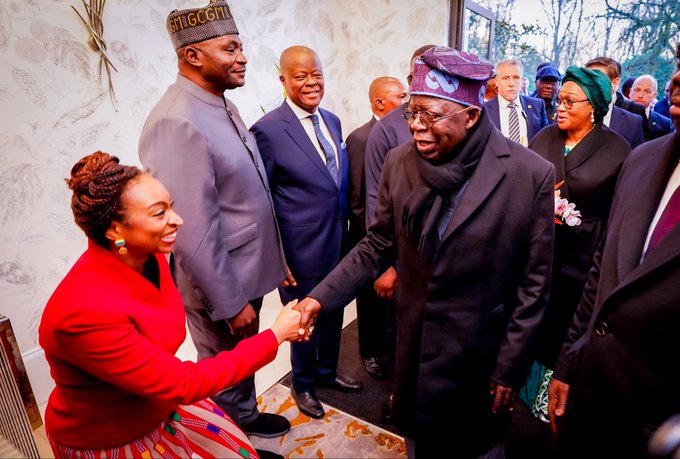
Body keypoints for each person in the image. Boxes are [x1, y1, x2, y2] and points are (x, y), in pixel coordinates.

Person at [294, 46, 556, 458]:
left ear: (471, 116)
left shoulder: (528, 174)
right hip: (414, 347)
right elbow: (377, 244)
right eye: (411, 113)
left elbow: (534, 285)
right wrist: (318, 299)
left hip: (480, 358)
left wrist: (509, 367)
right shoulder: (400, 162)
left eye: (430, 115)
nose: (416, 126)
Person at [39, 151, 303, 459]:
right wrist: (275, 336)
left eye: (171, 207)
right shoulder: (82, 315)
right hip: (111, 434)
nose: (177, 220)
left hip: (156, 401)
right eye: (158, 213)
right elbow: (183, 384)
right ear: (114, 230)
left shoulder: (147, 255)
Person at [138, 1, 294, 450]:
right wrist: (229, 302)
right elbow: (191, 229)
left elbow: (248, 195)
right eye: (230, 48)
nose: (242, 57)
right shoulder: (175, 119)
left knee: (241, 360)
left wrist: (276, 259)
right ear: (193, 55)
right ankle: (230, 445)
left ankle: (245, 418)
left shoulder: (219, 103)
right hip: (220, 286)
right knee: (222, 370)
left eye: (240, 47)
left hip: (245, 270)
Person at [548, 43, 680, 459]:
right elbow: (604, 271)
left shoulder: (619, 149)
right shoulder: (644, 160)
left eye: (571, 100)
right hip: (591, 390)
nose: (676, 79)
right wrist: (569, 362)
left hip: (659, 417)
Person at [250, 45, 362, 420]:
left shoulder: (332, 120)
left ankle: (326, 372)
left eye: (317, 74)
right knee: (303, 320)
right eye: (301, 76)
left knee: (334, 310)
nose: (311, 82)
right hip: (298, 251)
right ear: (283, 80)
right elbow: (262, 200)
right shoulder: (267, 130)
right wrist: (277, 257)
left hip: (338, 241)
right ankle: (302, 383)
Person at [523, 66, 631, 425]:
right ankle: (522, 387)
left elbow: (618, 213)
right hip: (537, 251)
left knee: (562, 329)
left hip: (581, 261)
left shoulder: (618, 150)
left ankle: (551, 397)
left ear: (594, 107)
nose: (560, 107)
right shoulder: (544, 137)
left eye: (570, 101)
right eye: (559, 100)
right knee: (530, 320)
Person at [346, 76, 408, 379]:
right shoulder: (361, 138)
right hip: (369, 236)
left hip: (395, 237)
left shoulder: (406, 130)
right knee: (370, 302)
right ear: (379, 102)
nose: (406, 101)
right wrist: (374, 241)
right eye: (400, 96)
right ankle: (369, 352)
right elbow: (359, 198)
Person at [485, 58, 549, 146]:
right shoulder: (484, 110)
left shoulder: (537, 106)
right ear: (496, 81)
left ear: (521, 80)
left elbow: (546, 140)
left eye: (516, 78)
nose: (511, 83)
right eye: (505, 78)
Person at [585, 56, 646, 147]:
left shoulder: (633, 122)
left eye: (597, 79)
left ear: (615, 82)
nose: (590, 84)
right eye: (587, 79)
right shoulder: (570, 115)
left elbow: (637, 155)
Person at [630, 74, 673, 141]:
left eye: (647, 91)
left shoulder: (665, 123)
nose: (640, 95)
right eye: (637, 90)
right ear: (630, 92)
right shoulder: (616, 116)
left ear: (654, 95)